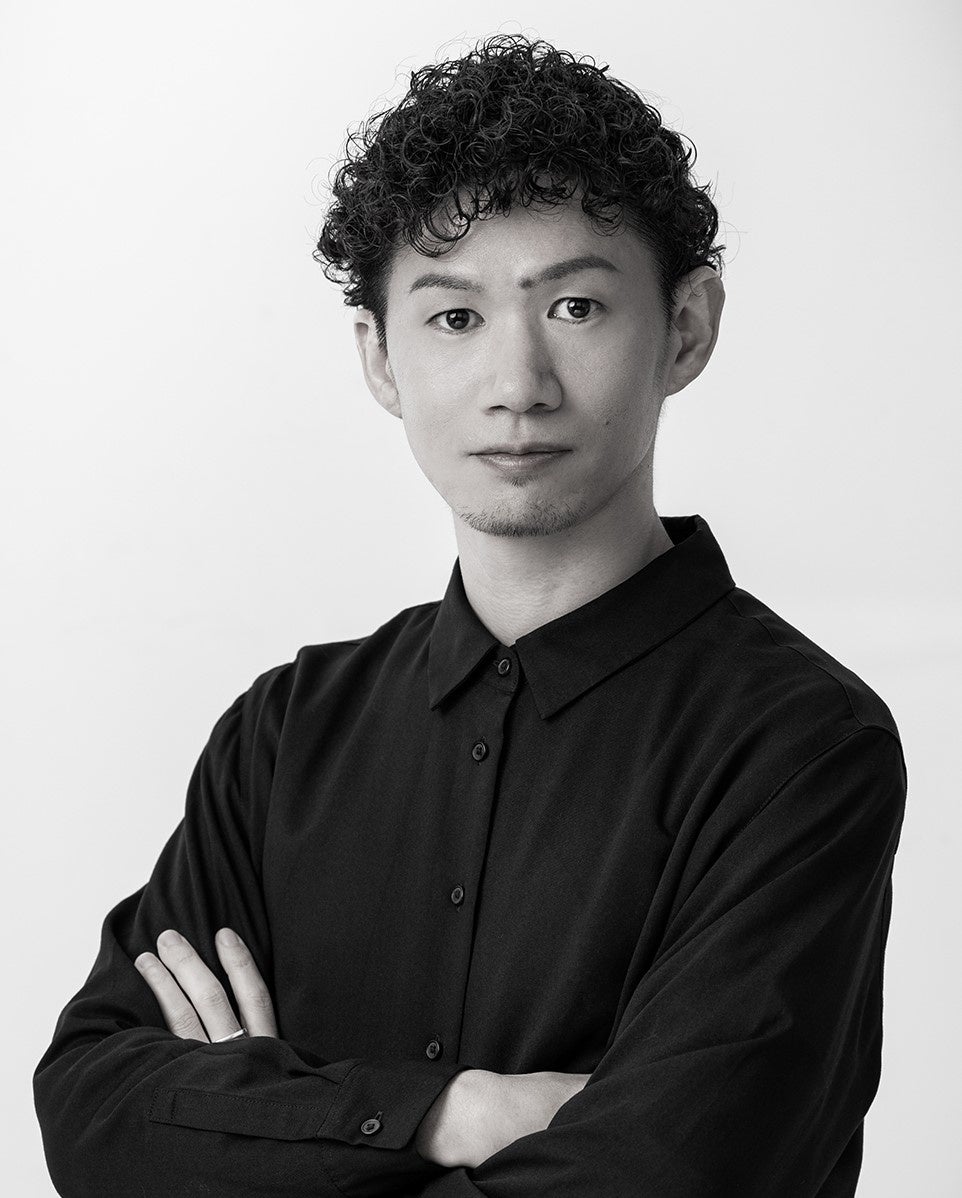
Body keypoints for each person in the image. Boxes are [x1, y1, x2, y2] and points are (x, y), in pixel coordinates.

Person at [34, 33, 907, 1198]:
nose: (516, 385)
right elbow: (94, 1113)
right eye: (453, 318)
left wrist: (269, 1130)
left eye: (576, 305)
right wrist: (454, 1112)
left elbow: (665, 1177)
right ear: (379, 358)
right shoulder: (285, 736)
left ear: (686, 327)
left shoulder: (798, 746)